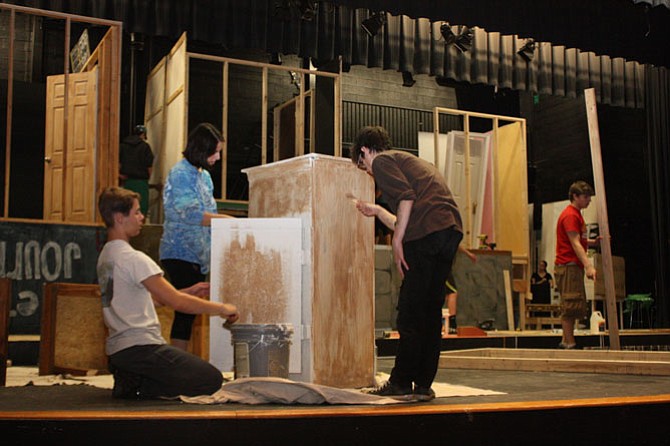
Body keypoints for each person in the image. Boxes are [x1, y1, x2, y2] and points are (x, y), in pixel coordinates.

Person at [351, 126, 463, 401]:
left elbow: (406, 198)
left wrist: (396, 242)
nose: (366, 170)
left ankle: (400, 381)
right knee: (429, 311)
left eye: (362, 164)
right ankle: (423, 383)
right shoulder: (410, 162)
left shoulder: (383, 161)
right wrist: (377, 211)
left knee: (411, 312)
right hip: (447, 231)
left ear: (364, 151)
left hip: (426, 236)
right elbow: (407, 213)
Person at [96, 187, 239, 399]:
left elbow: (146, 299)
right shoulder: (133, 258)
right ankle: (138, 388)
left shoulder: (107, 255)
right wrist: (223, 308)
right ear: (119, 217)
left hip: (119, 353)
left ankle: (134, 378)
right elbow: (178, 302)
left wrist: (188, 291)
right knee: (211, 380)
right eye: (136, 212)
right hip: (141, 349)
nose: (141, 217)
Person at [159, 123, 235, 351]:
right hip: (179, 251)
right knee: (185, 311)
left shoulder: (205, 178)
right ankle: (178, 362)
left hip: (198, 254)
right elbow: (191, 213)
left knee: (188, 315)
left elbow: (206, 212)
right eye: (215, 151)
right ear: (202, 149)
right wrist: (227, 220)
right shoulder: (181, 173)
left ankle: (182, 360)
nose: (218, 157)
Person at [554, 180, 600, 349]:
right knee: (571, 303)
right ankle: (569, 342)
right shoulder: (571, 215)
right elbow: (574, 243)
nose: (589, 200)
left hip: (571, 265)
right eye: (586, 197)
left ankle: (567, 341)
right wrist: (589, 265)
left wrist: (593, 242)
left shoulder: (576, 214)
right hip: (568, 265)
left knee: (573, 303)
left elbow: (577, 240)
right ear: (575, 196)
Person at [119, 124, 154, 216]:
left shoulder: (123, 146)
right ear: (143, 134)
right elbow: (149, 165)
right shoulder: (145, 147)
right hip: (141, 182)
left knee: (127, 208)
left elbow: (117, 163)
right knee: (141, 209)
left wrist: (119, 175)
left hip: (126, 182)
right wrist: (148, 177)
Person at [444, 246, 477, 335]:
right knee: (452, 292)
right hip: (442, 265)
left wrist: (468, 254)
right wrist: (468, 254)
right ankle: (452, 323)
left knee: (447, 294)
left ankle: (446, 323)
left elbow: (456, 243)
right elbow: (456, 243)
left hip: (441, 264)